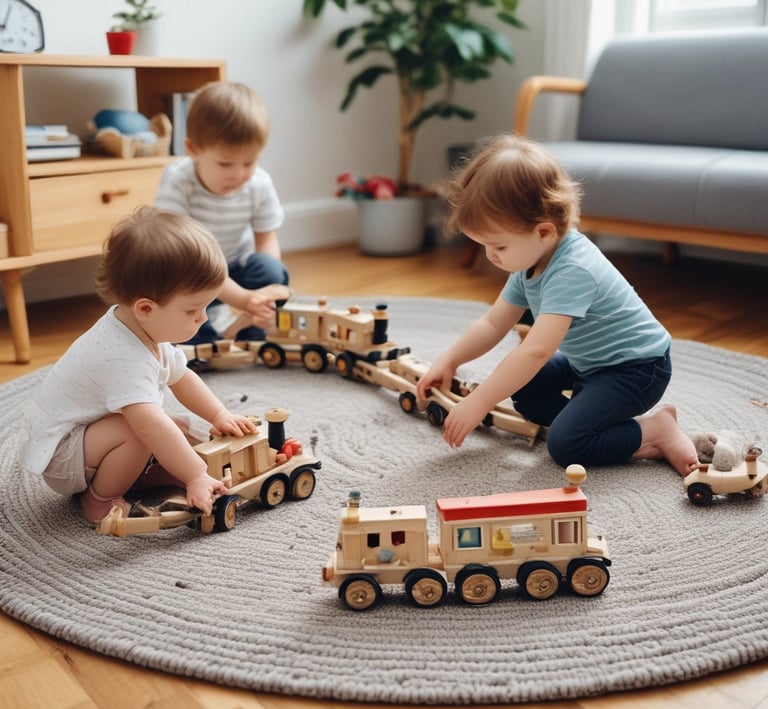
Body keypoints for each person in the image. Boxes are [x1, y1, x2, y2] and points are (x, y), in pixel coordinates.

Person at [416, 134, 699, 477]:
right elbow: (493, 323)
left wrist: (480, 401)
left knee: (566, 446)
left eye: (499, 247)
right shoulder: (531, 260)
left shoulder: (573, 269)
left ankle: (655, 430)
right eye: (483, 246)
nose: (491, 256)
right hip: (590, 362)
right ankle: (590, 421)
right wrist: (450, 360)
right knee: (523, 386)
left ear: (545, 232)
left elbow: (536, 351)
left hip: (637, 370)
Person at [18, 207, 257, 524]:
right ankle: (100, 500)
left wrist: (218, 415)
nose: (203, 318)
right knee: (143, 430)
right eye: (192, 311)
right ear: (146, 308)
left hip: (88, 438)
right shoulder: (120, 355)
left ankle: (143, 473)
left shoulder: (142, 327)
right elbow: (149, 426)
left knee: (174, 427)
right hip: (62, 455)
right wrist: (196, 475)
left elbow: (182, 377)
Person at [155, 80, 289, 344]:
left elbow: (266, 239)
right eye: (225, 164)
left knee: (271, 270)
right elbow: (182, 256)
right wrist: (243, 299)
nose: (238, 174)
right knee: (171, 298)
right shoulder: (179, 181)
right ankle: (202, 339)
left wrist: (264, 296)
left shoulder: (259, 184)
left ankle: (252, 331)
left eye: (249, 162)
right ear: (193, 150)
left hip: (234, 267)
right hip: (190, 272)